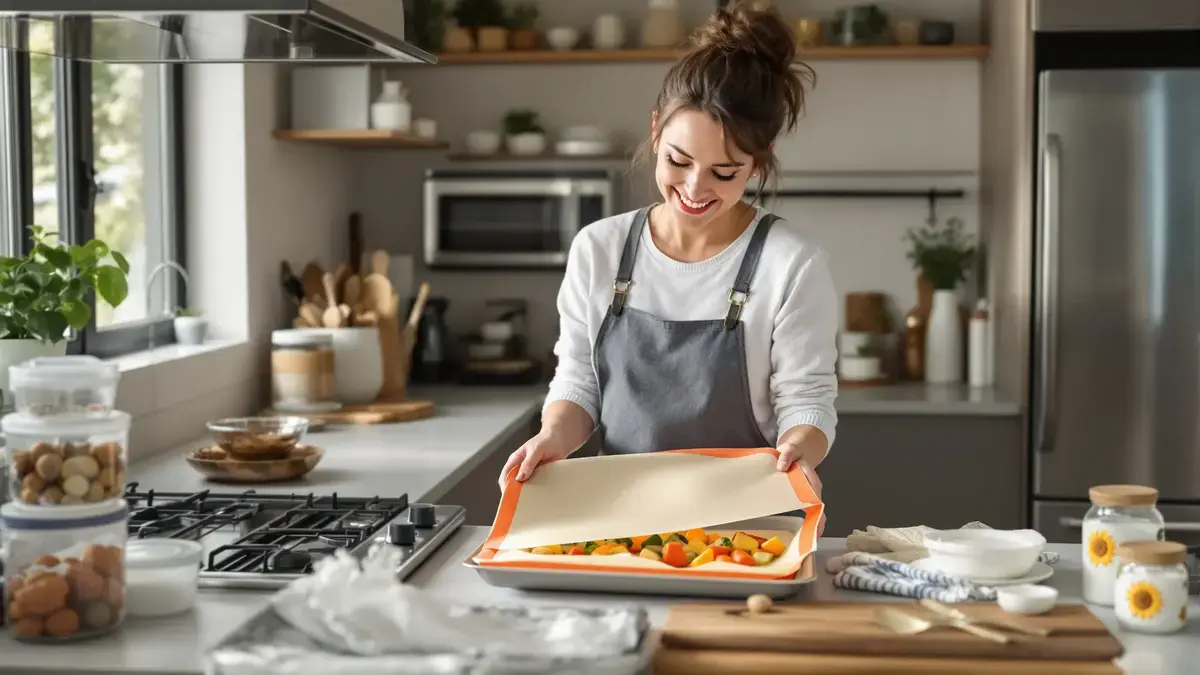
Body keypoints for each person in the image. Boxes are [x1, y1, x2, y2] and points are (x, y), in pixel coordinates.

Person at [498, 1, 838, 534]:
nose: (696, 189)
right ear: (655, 130)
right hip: (614, 522)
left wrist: (799, 450)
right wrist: (551, 439)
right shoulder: (599, 249)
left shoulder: (791, 262)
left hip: (745, 527)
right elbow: (580, 381)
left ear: (760, 160)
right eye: (678, 161)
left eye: (725, 172)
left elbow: (807, 400)